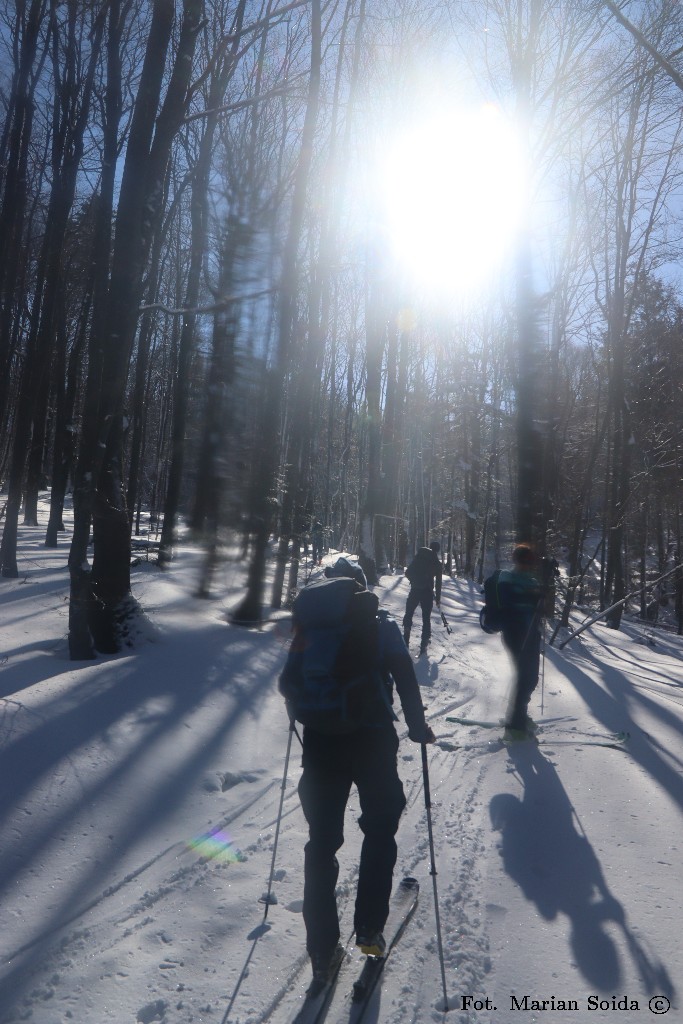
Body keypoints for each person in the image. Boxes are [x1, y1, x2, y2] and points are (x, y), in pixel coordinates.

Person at [280, 557, 435, 988]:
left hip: (322, 741)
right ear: (361, 592)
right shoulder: (380, 625)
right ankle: (368, 930)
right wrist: (419, 727)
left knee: (322, 842)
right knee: (380, 830)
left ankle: (321, 949)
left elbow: (291, 683)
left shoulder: (309, 627)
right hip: (372, 740)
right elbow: (405, 678)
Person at [497, 543, 545, 740]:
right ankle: (515, 726)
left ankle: (519, 716)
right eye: (523, 562)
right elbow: (509, 603)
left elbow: (537, 607)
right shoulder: (507, 578)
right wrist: (532, 595)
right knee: (526, 678)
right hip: (515, 633)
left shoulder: (531, 581)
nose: (526, 566)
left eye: (529, 562)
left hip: (530, 633)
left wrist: (540, 595)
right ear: (516, 561)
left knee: (528, 677)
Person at [403, 541, 443, 652]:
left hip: (415, 590)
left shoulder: (419, 557)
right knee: (426, 618)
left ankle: (406, 635)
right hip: (428, 592)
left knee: (409, 612)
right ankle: (424, 643)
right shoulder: (437, 563)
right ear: (437, 550)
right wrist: (438, 599)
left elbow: (407, 572)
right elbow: (439, 583)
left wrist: (415, 581)